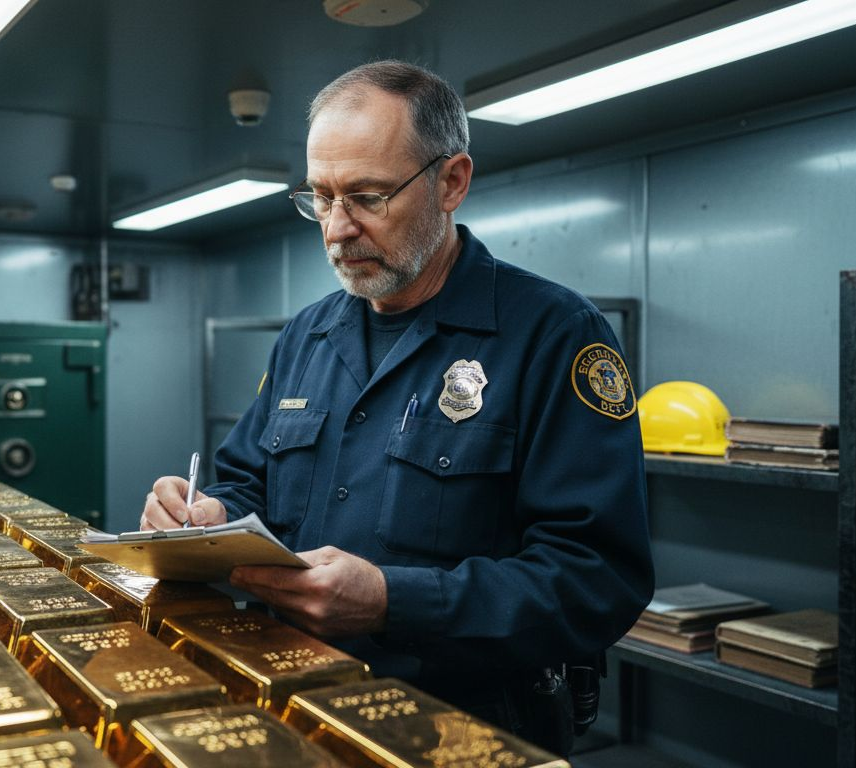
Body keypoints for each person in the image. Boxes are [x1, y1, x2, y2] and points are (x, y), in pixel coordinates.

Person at [141, 60, 653, 749]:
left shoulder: (554, 336)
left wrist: (393, 600)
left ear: (452, 182)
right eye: (320, 198)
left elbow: (599, 578)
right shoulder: (308, 335)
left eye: (368, 196)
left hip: (465, 724)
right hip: (297, 703)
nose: (336, 229)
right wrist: (207, 515)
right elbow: (245, 479)